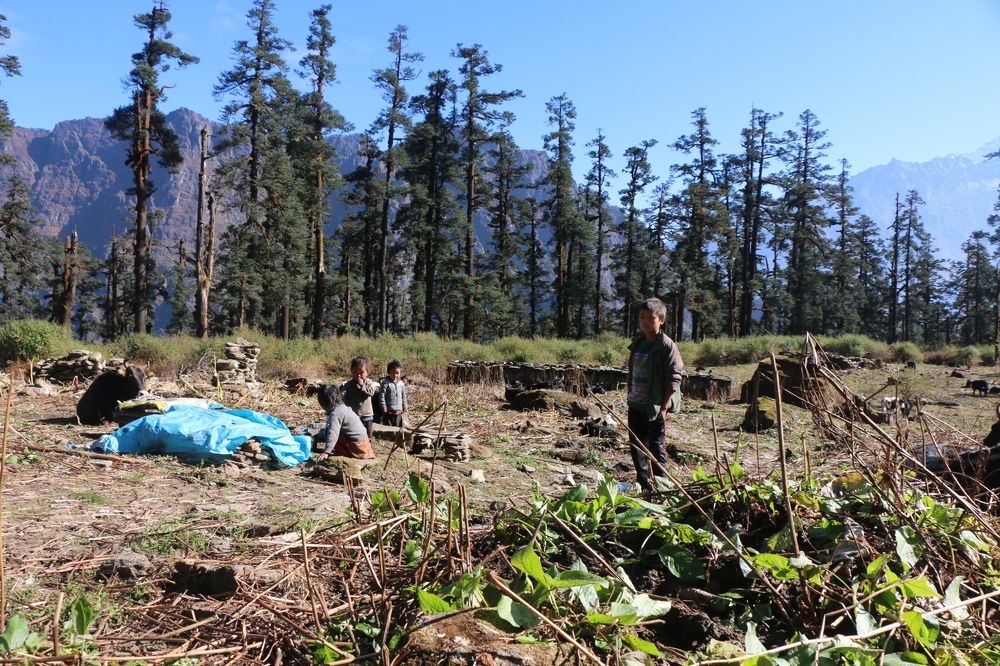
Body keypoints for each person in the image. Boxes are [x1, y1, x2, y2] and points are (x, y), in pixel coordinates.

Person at [626, 297, 684, 493]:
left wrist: (664, 406)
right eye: (642, 317)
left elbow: (674, 378)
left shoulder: (667, 346)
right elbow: (632, 372)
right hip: (635, 404)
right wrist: (629, 394)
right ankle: (645, 485)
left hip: (654, 406)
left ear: (661, 320)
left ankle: (663, 487)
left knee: (656, 447)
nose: (645, 322)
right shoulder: (637, 344)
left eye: (650, 318)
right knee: (637, 446)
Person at [316, 384, 375, 460]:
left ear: (325, 402)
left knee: (330, 432)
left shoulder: (335, 414)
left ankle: (345, 452)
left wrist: (326, 451)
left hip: (357, 447)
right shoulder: (344, 408)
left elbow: (333, 433)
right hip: (365, 443)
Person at [340, 356, 379, 439]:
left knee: (368, 435)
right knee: (355, 434)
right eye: (355, 372)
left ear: (367, 372)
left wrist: (362, 385)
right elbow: (342, 396)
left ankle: (369, 445)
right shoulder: (349, 385)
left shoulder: (368, 383)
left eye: (361, 372)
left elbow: (371, 392)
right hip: (354, 415)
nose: (358, 375)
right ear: (351, 371)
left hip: (367, 415)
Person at [379, 359, 408, 427]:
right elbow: (381, 396)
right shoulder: (385, 383)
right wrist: (383, 406)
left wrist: (405, 406)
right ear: (389, 372)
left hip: (399, 411)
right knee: (388, 427)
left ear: (400, 373)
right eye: (393, 373)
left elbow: (403, 396)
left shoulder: (401, 384)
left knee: (398, 427)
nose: (395, 375)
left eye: (397, 373)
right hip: (389, 410)